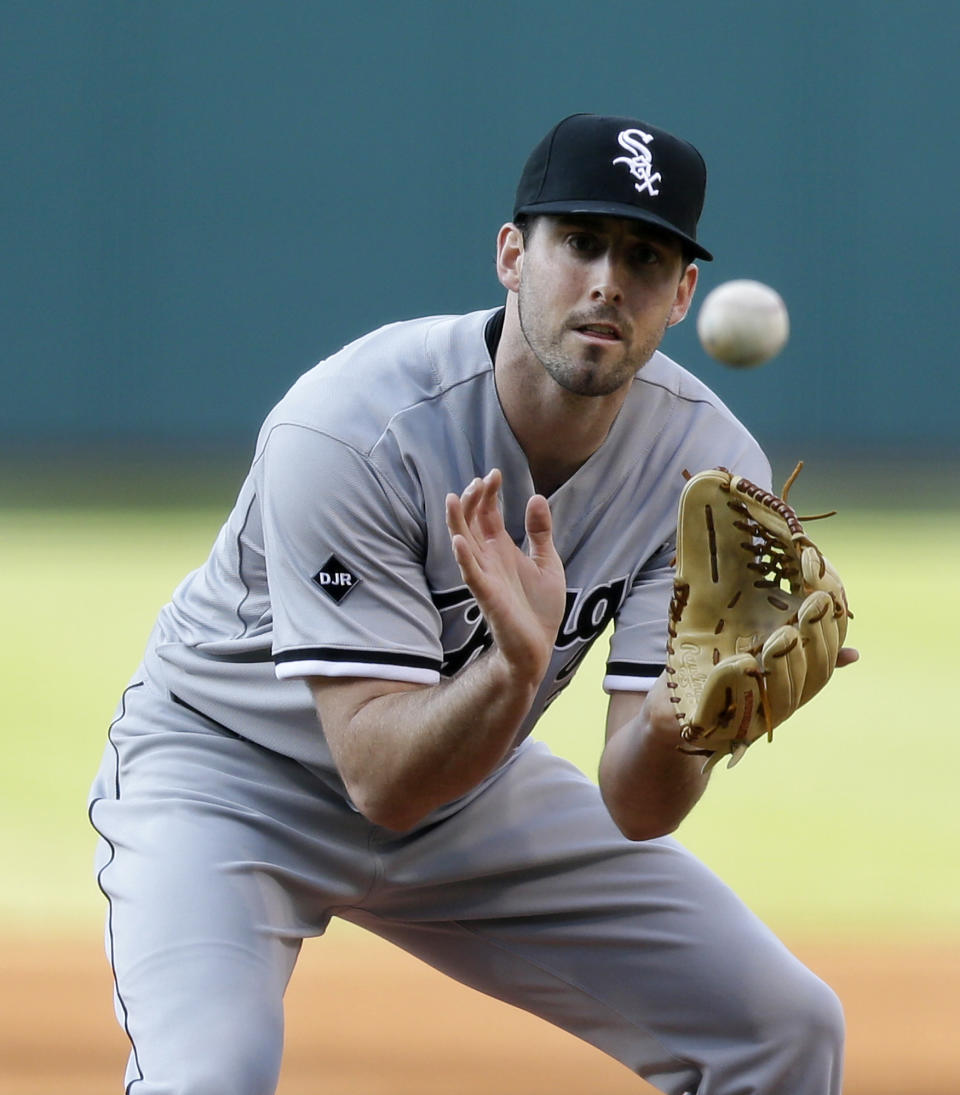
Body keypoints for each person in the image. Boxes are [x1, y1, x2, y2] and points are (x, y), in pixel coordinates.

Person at [89, 112, 854, 1095]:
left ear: (682, 294)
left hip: (470, 779)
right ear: (511, 254)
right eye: (580, 243)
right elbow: (381, 782)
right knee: (211, 1079)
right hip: (228, 778)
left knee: (787, 1028)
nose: (608, 282)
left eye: (646, 258)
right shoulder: (352, 425)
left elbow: (637, 805)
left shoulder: (704, 468)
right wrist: (515, 667)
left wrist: (684, 719)